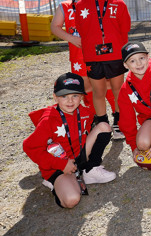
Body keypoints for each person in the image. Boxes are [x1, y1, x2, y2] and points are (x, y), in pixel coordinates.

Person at [23, 73, 116, 208]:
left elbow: (88, 128)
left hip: (78, 157)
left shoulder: (84, 112)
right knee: (71, 200)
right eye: (64, 96)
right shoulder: (48, 120)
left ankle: (89, 170)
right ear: (55, 97)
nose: (70, 101)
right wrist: (61, 164)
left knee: (104, 127)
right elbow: (29, 147)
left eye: (75, 96)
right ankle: (54, 182)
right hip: (58, 165)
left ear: (81, 97)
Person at [76, 0, 131, 139]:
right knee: (98, 91)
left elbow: (125, 29)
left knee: (118, 90)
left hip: (115, 55)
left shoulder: (119, 3)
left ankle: (118, 122)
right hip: (93, 57)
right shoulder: (80, 6)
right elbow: (83, 31)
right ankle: (102, 122)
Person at [50, 0, 117, 112]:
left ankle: (119, 118)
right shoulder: (65, 6)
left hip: (101, 55)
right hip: (78, 57)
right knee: (86, 88)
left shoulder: (100, 3)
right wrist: (71, 38)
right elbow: (54, 27)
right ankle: (96, 119)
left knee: (108, 85)